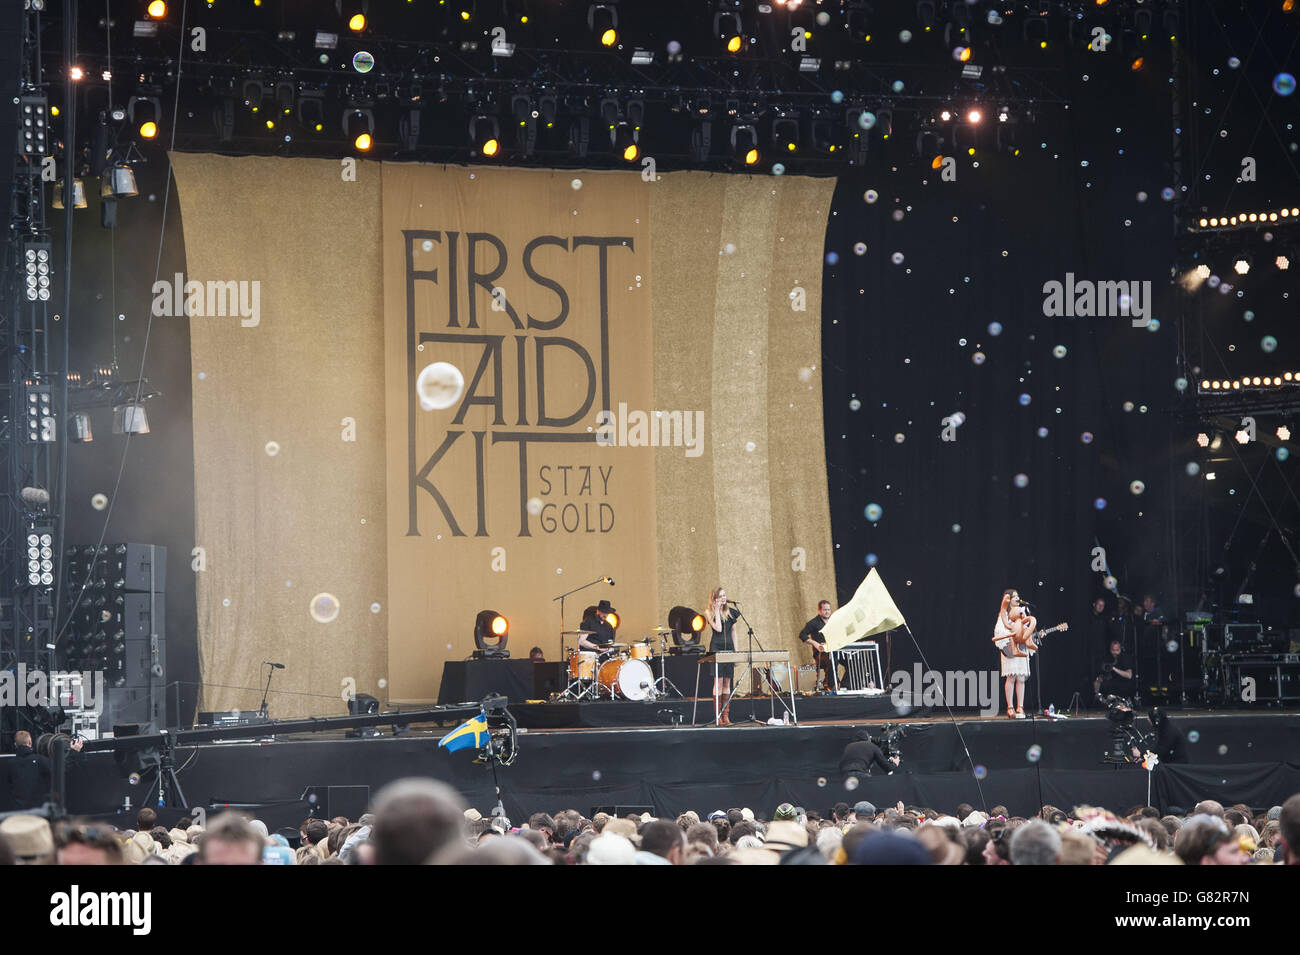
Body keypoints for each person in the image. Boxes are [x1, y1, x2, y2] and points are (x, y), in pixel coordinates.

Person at [2, 730, 84, 811]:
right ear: (30, 742)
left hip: (17, 812)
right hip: (37, 812)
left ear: (15, 745)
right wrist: (74, 751)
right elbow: (61, 769)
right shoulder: (39, 760)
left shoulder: (10, 764)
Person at [992, 589, 1036, 719]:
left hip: (1021, 647)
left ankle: (1020, 707)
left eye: (1018, 596)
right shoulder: (1003, 614)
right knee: (1011, 677)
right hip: (1010, 648)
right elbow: (999, 630)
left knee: (1021, 678)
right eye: (1014, 596)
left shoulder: (1023, 612)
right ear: (1008, 600)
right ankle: (1010, 707)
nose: (1017, 598)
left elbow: (1027, 629)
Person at [704, 587, 741, 724]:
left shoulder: (732, 613)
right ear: (714, 599)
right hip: (716, 648)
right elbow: (718, 628)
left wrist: (736, 653)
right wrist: (717, 611)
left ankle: (726, 715)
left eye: (724, 595)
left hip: (729, 648)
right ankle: (718, 716)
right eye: (720, 596)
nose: (724, 598)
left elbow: (734, 633)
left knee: (727, 681)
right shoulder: (709, 612)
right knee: (718, 682)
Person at [799, 599, 845, 691]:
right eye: (825, 610)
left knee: (849, 660)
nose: (827, 612)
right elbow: (802, 635)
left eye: (828, 610)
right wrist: (815, 643)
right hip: (821, 654)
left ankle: (846, 684)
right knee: (832, 659)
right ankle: (831, 685)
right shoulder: (813, 623)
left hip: (834, 650)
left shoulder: (833, 621)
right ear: (819, 610)